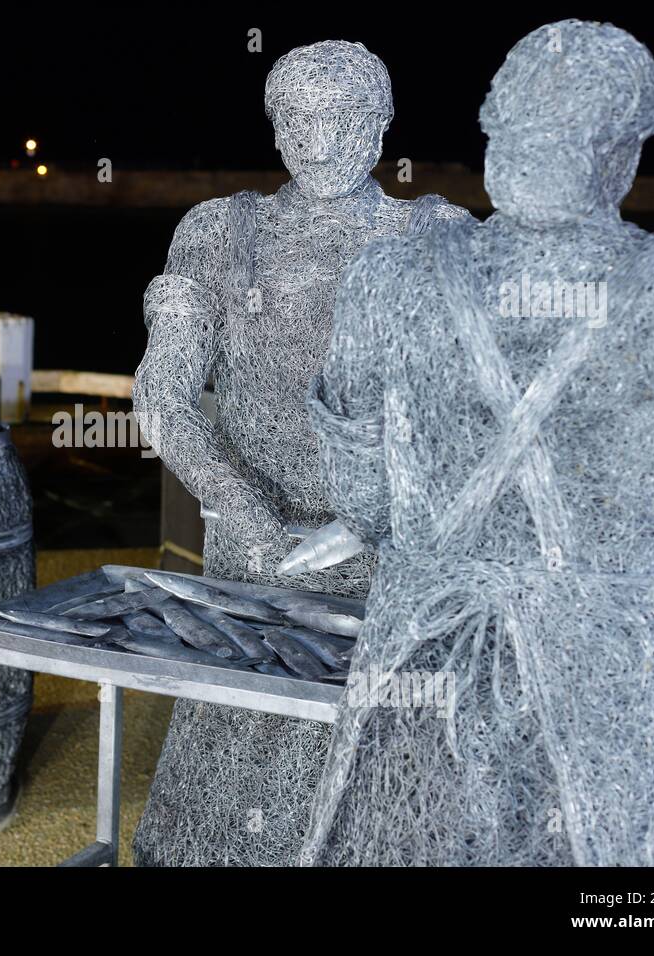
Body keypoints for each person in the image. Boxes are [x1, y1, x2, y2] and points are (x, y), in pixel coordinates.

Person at [291, 20, 654, 865]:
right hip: (621, 680)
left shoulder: (390, 280)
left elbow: (364, 498)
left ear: (495, 134)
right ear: (620, 153)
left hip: (427, 656)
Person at [131, 41, 467, 866]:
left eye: (343, 117)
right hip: (259, 556)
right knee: (242, 766)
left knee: (392, 777)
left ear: (382, 125)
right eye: (298, 120)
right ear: (276, 128)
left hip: (399, 563)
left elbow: (477, 414)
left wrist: (382, 514)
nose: (319, 141)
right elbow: (163, 396)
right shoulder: (221, 233)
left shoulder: (438, 235)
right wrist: (244, 510)